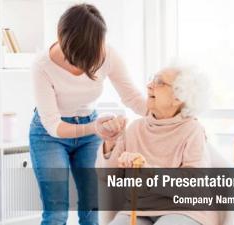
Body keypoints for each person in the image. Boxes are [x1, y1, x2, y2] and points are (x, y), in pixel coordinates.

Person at [29, 3, 147, 225]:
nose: (99, 52)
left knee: (93, 209)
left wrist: (174, 115)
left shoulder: (106, 52)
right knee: (56, 213)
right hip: (48, 136)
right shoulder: (42, 65)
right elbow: (54, 126)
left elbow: (132, 97)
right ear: (72, 47)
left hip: (89, 131)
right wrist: (95, 128)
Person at [97, 65, 219, 225]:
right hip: (138, 209)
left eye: (159, 82)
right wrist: (110, 141)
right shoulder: (135, 128)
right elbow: (109, 176)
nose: (149, 85)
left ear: (178, 97)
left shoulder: (192, 130)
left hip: (186, 210)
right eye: (152, 80)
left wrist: (150, 173)